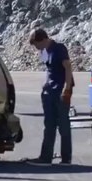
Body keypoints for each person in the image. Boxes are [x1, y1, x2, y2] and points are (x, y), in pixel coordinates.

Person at [26, 28, 74, 165]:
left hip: (60, 91)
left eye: (36, 44)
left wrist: (67, 88)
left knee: (63, 125)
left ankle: (66, 158)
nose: (36, 48)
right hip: (49, 91)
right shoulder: (45, 51)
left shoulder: (59, 48)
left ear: (42, 40)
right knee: (49, 125)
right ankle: (46, 157)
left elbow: (68, 67)